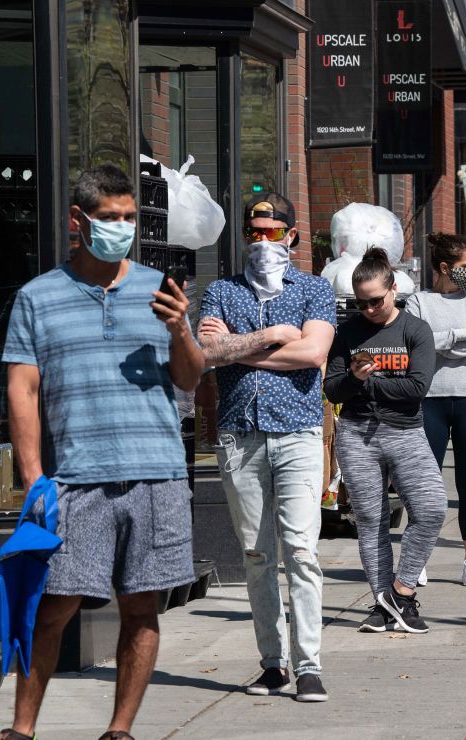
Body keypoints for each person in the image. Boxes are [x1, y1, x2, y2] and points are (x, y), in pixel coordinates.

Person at [0, 165, 274, 740]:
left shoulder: (159, 289)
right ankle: (21, 729)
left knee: (142, 607)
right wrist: (33, 478)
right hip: (77, 480)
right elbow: (22, 389)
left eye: (128, 217)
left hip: (157, 475)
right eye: (109, 218)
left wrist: (181, 331)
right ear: (79, 221)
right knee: (53, 608)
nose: (121, 227)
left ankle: (120, 730)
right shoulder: (37, 297)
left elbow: (191, 375)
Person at [197, 191, 336, 703]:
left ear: (291, 236)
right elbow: (206, 351)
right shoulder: (221, 291)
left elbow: (314, 352)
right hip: (240, 434)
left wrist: (240, 348)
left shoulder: (314, 289)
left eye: (271, 232)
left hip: (297, 433)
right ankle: (272, 664)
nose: (261, 241)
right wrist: (276, 336)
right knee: (258, 554)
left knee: (301, 550)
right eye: (253, 232)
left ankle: (310, 666)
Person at [325, 248, 447, 633]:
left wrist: (369, 380)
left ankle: (401, 591)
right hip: (357, 434)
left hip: (405, 431)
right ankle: (383, 606)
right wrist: (354, 380)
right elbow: (333, 389)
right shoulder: (347, 332)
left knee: (431, 509)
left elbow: (416, 388)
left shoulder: (415, 330)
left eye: (376, 300)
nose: (369, 309)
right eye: (361, 303)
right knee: (372, 522)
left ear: (393, 289)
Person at [406, 233, 466, 584]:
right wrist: (462, 334)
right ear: (444, 267)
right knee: (425, 482)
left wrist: (446, 340)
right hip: (430, 399)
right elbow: (418, 346)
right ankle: (418, 557)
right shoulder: (418, 302)